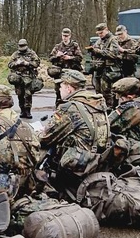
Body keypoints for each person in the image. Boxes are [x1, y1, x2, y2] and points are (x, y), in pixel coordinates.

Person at [39, 70, 111, 199]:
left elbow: (46, 137)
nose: (59, 90)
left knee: (41, 150)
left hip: (77, 164)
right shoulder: (97, 102)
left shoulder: (71, 107)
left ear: (69, 87)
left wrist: (37, 132)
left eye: (60, 86)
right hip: (98, 158)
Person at [7, 38, 41, 119]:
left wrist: (27, 63)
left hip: (28, 77)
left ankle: (28, 111)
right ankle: (22, 110)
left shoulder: (31, 53)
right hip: (18, 77)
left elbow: (37, 63)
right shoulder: (15, 54)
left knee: (28, 94)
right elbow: (9, 64)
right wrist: (16, 63)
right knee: (20, 94)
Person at [49, 28, 83, 105]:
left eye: (66, 36)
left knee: (72, 91)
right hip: (60, 72)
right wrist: (57, 56)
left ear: (70, 36)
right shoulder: (58, 46)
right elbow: (50, 58)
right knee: (58, 92)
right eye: (63, 36)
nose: (65, 37)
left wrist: (70, 58)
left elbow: (80, 57)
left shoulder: (74, 46)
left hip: (72, 73)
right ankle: (58, 109)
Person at [88, 23, 118, 107]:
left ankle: (110, 110)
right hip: (99, 70)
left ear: (106, 30)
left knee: (107, 93)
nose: (100, 35)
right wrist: (93, 51)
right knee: (98, 92)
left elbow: (113, 54)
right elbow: (95, 49)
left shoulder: (113, 40)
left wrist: (99, 51)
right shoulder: (99, 40)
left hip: (109, 70)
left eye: (101, 33)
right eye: (98, 34)